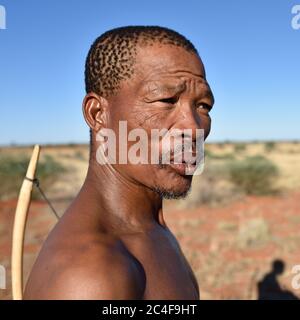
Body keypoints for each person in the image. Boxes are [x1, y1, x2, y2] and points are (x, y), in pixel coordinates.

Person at [24, 26, 214, 299]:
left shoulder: (148, 226)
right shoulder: (89, 277)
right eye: (166, 100)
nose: (193, 127)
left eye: (203, 106)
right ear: (98, 113)